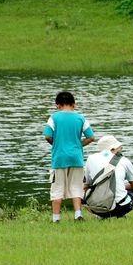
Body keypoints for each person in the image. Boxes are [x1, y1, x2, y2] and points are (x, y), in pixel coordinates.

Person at [43, 91, 95, 222]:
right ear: (74, 104)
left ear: (58, 105)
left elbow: (47, 136)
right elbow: (91, 137)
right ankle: (78, 214)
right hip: (76, 157)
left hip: (59, 158)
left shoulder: (53, 118)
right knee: (77, 186)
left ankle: (56, 218)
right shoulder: (81, 118)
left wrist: (56, 144)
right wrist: (79, 145)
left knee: (57, 187)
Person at [84, 135, 133, 218]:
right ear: (112, 149)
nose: (121, 149)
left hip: (95, 207)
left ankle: (101, 215)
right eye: (119, 148)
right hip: (120, 208)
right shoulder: (124, 160)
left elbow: (86, 186)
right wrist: (123, 186)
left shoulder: (90, 159)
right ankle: (120, 215)